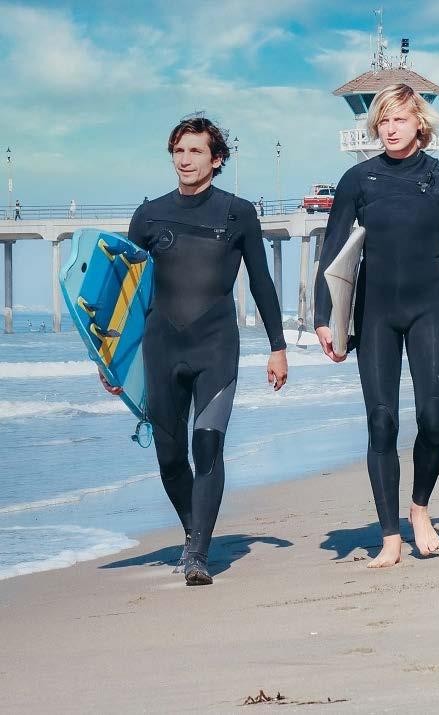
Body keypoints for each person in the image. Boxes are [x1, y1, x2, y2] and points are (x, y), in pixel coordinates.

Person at [101, 116, 288, 585]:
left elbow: (261, 282)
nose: (185, 160)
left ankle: (199, 554)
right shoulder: (149, 215)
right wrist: (110, 357)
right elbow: (125, 292)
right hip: (161, 347)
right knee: (169, 457)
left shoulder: (238, 213)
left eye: (196, 151)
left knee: (207, 445)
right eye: (179, 151)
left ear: (216, 159)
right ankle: (192, 531)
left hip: (215, 346)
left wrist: (278, 346)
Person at [314, 83, 439, 568]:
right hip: (375, 314)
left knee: (433, 419)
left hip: (428, 309)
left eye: (400, 119)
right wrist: (324, 318)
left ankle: (419, 507)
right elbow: (333, 251)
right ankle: (390, 537)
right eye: (383, 120)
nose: (390, 129)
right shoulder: (358, 180)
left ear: (420, 123)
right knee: (381, 421)